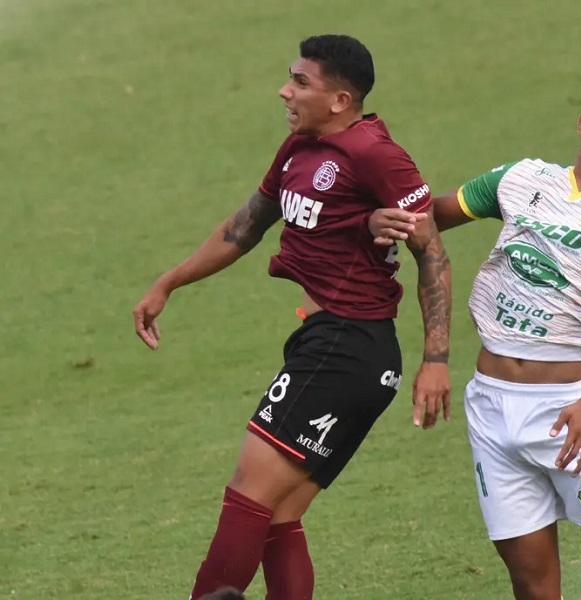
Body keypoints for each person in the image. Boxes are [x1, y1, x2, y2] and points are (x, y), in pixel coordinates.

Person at [132, 34, 452, 600]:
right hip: (337, 346)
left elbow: (432, 254)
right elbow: (244, 228)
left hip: (346, 347)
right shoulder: (298, 148)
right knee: (279, 517)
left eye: (301, 82)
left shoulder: (376, 155)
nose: (285, 91)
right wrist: (170, 281)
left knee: (247, 494)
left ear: (340, 99)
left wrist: (437, 359)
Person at [368, 76, 581, 599]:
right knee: (532, 584)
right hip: (491, 409)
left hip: (567, 410)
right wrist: (377, 220)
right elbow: (426, 220)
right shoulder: (521, 178)